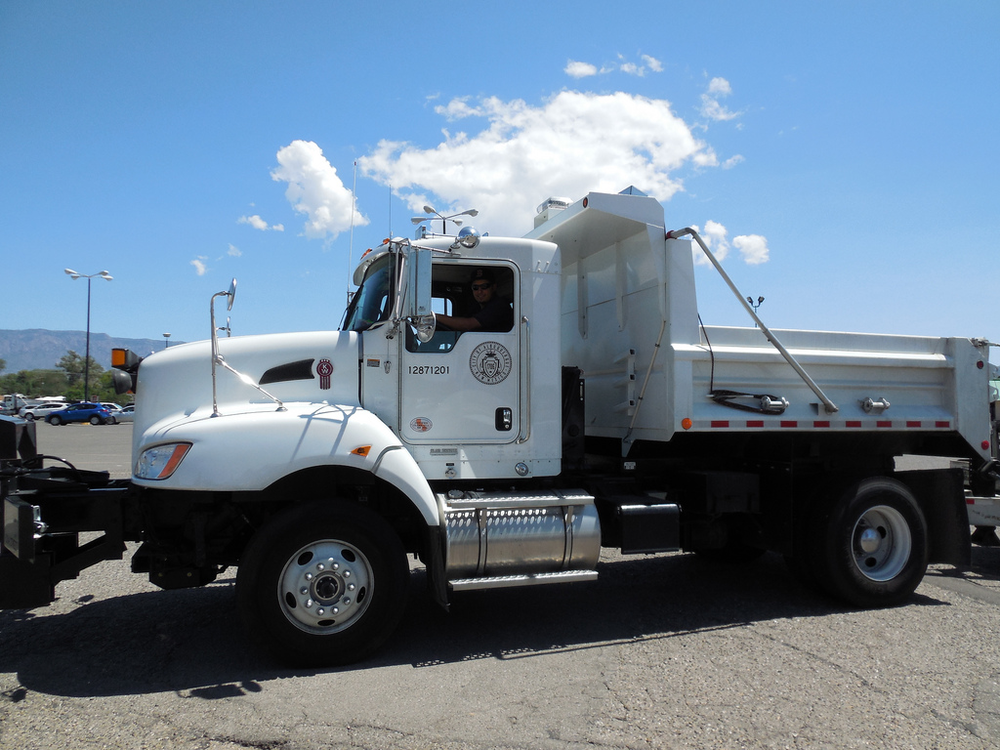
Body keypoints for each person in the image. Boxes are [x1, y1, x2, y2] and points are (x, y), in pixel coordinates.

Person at [435, 268, 513, 333]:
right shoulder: (476, 309)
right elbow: (459, 325)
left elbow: (468, 325)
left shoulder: (499, 306)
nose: (479, 291)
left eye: (484, 286)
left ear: (494, 287)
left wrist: (434, 317)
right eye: (475, 287)